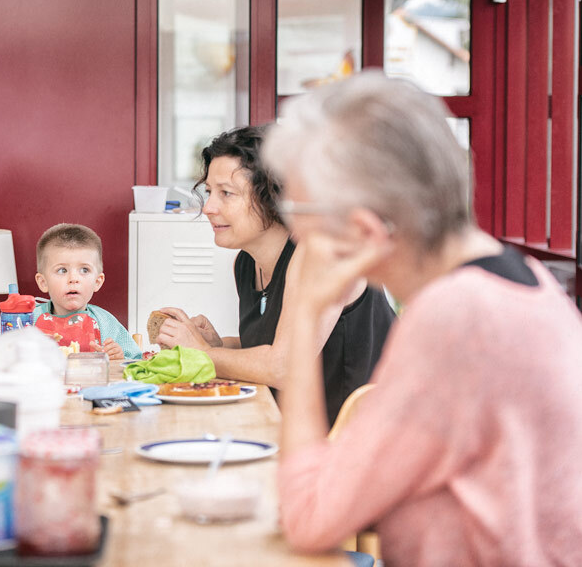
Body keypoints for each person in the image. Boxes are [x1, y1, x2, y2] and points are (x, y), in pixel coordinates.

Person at [268, 72, 582, 565]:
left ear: (363, 231)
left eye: (297, 215)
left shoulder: (457, 318)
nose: (295, 238)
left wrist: (307, 311)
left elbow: (309, 516)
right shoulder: (531, 282)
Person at [156, 126, 395, 424]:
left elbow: (284, 367)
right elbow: (274, 345)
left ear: (274, 197)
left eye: (226, 193)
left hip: (365, 439)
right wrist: (219, 346)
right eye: (208, 192)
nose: (208, 207)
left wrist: (201, 353)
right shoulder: (246, 263)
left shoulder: (321, 253)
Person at [1, 223, 141, 360]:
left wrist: (118, 356)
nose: (73, 279)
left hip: (93, 382)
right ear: (43, 282)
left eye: (84, 270)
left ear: (97, 282)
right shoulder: (27, 320)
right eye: (62, 270)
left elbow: (135, 361)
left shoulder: (106, 323)